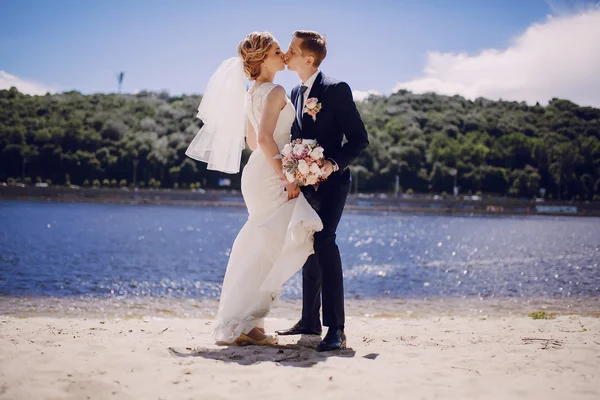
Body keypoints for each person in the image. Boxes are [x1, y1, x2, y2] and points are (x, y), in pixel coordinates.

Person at [185, 32, 323, 346]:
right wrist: (288, 174)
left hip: (258, 171)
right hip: (272, 173)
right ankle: (246, 322)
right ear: (262, 59)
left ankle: (250, 323)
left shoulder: (252, 93)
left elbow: (252, 141)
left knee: (264, 244)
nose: (283, 55)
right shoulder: (274, 91)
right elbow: (261, 140)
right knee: (271, 244)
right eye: (277, 51)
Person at [276, 31, 369, 351]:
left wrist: (331, 163)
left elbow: (359, 140)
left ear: (308, 58)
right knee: (309, 241)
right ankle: (309, 321)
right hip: (305, 183)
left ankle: (336, 328)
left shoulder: (335, 89)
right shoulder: (296, 91)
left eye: (291, 49)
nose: (285, 53)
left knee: (325, 242)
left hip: (333, 183)